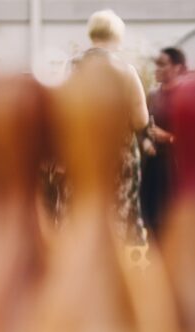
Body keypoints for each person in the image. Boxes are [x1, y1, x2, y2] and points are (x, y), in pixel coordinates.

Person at [85, 9, 149, 245]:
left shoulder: (70, 68)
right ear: (118, 36)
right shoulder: (125, 71)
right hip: (117, 159)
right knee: (117, 220)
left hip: (79, 156)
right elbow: (140, 120)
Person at [140, 47, 186, 240]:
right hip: (152, 165)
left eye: (162, 64)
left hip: (174, 169)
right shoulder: (152, 96)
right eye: (156, 63)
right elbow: (141, 129)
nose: (156, 68)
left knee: (171, 224)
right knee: (150, 222)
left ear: (177, 68)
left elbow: (191, 138)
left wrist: (168, 137)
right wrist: (145, 142)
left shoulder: (185, 96)